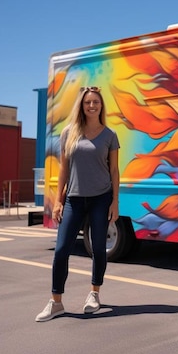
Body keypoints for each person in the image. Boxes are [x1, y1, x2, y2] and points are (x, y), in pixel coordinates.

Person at [36, 86, 120, 322]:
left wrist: (115, 201)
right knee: (62, 249)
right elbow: (64, 169)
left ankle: (94, 293)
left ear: (101, 106)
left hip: (101, 199)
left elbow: (114, 170)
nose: (92, 106)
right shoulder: (68, 132)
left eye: (96, 102)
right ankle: (56, 302)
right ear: (81, 107)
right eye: (87, 103)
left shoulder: (110, 135)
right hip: (73, 198)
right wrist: (58, 201)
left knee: (98, 251)